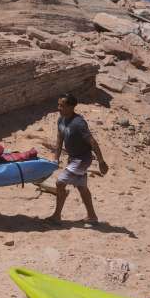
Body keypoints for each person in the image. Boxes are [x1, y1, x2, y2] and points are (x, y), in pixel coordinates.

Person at [47, 93, 108, 225]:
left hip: (82, 159)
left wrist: (101, 161)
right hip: (73, 159)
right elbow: (59, 139)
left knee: (60, 183)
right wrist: (56, 159)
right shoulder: (61, 120)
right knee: (82, 187)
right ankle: (92, 216)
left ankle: (56, 216)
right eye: (58, 105)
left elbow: (92, 142)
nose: (59, 108)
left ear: (71, 107)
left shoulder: (79, 123)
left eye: (62, 106)